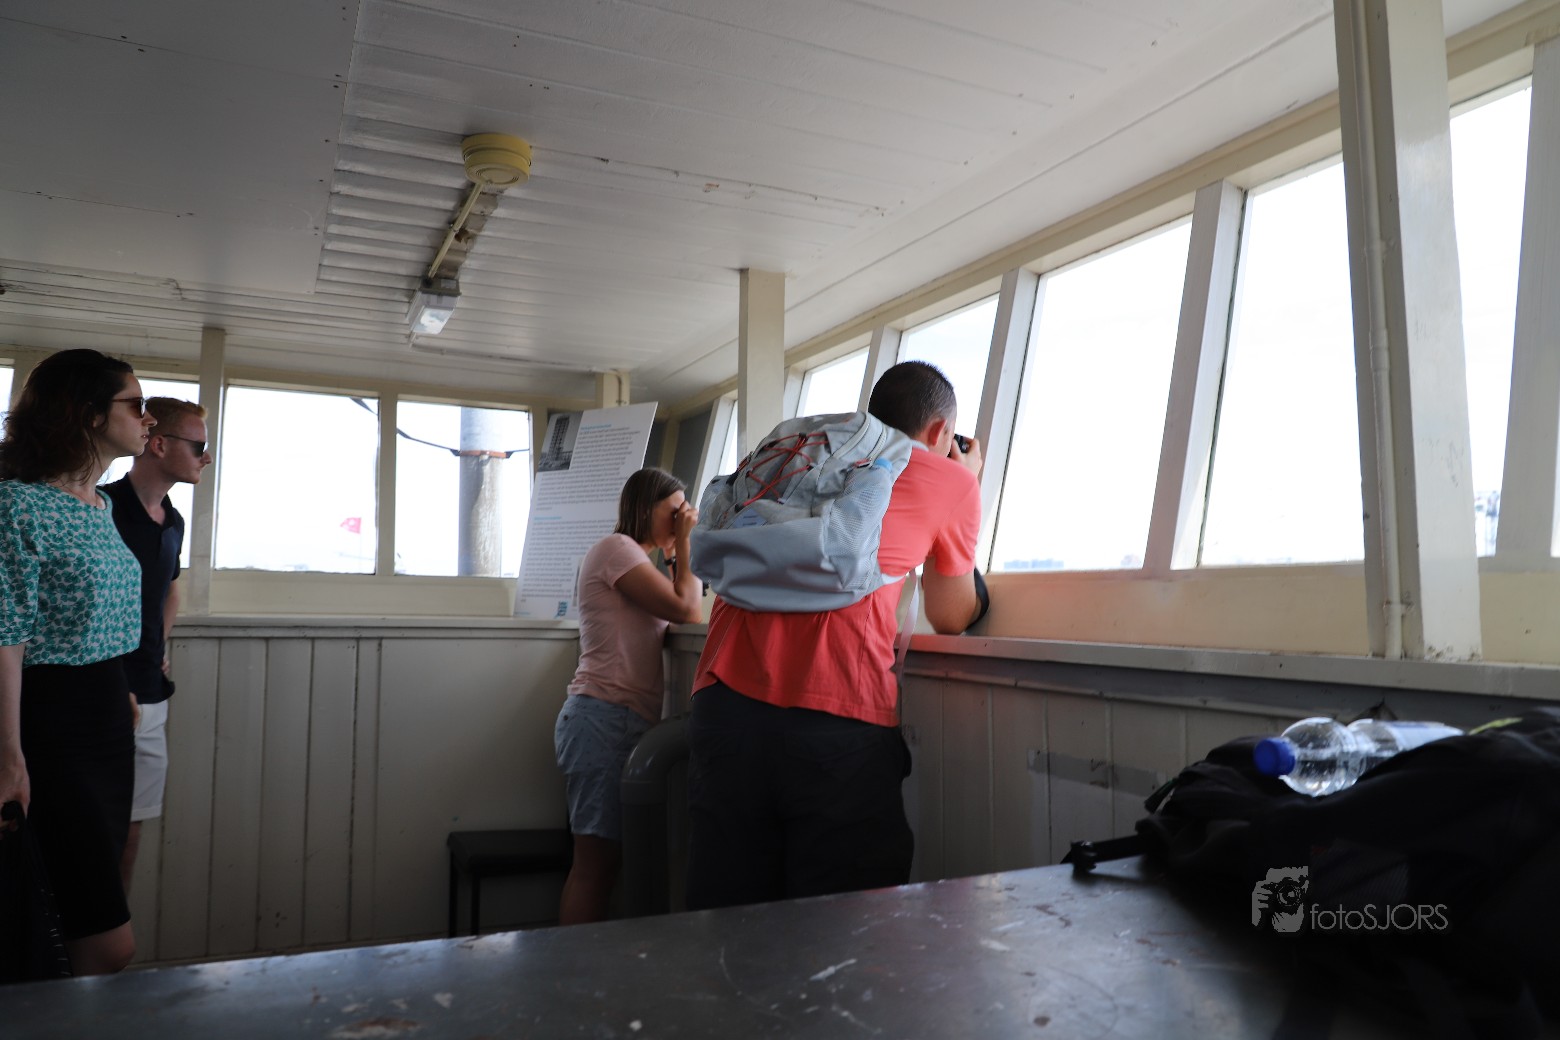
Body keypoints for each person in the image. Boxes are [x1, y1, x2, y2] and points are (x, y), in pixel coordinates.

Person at [685, 360, 985, 910]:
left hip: (722, 703)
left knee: (727, 915)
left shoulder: (807, 455)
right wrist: (966, 481)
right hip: (837, 714)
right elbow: (951, 613)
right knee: (843, 924)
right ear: (942, 431)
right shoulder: (950, 479)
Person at [0, 349, 156, 974]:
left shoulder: (100, 505)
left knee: (77, 924)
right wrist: (9, 755)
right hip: (52, 725)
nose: (148, 418)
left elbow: (93, 614)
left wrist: (120, 690)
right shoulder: (18, 505)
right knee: (103, 942)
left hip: (106, 720)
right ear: (90, 414)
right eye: (136, 405)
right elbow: (6, 634)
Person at [553, 468, 702, 924]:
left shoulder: (632, 559)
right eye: (673, 511)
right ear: (644, 507)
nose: (680, 519)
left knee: (604, 866)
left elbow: (686, 606)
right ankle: (576, 963)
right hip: (603, 717)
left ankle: (587, 958)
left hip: (612, 719)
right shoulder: (617, 549)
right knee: (594, 868)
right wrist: (685, 545)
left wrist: (675, 554)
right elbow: (688, 608)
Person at [101, 397, 212, 892]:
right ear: (160, 444)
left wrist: (158, 646)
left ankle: (112, 935)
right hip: (98, 691)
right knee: (86, 827)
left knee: (131, 829)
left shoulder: (174, 521)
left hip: (151, 691)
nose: (206, 458)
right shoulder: (100, 506)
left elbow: (170, 590)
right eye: (198, 446)